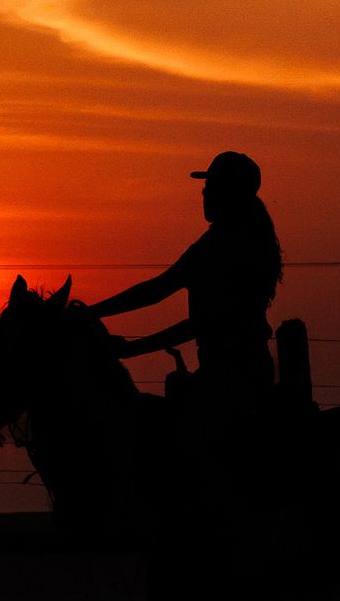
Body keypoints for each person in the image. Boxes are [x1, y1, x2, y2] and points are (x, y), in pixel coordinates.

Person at [79, 151, 283, 412]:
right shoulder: (243, 241)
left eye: (211, 188)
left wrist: (128, 345)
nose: (204, 194)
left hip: (229, 378)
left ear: (229, 194)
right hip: (245, 371)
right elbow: (156, 291)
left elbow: (174, 303)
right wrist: (94, 313)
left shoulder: (220, 247)